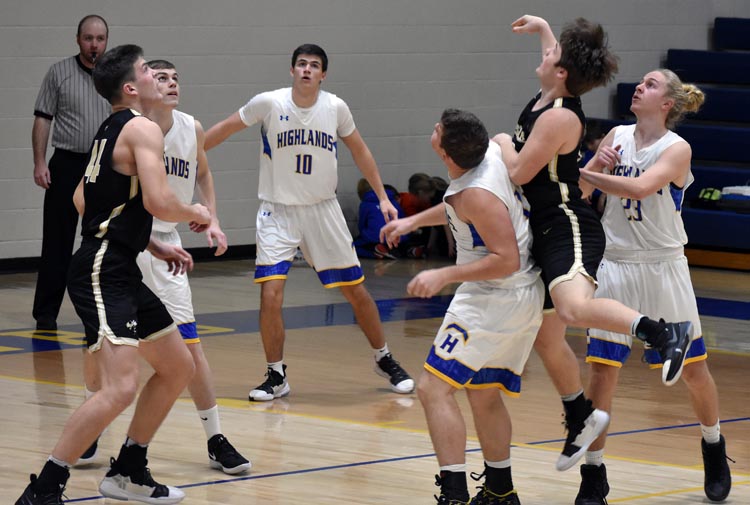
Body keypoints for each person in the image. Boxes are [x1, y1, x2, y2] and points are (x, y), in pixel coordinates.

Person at [492, 14, 692, 472]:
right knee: (546, 338)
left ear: (562, 71)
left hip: (568, 224)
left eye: (552, 53)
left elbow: (518, 171)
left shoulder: (560, 116)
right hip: (542, 227)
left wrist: (501, 141)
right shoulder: (548, 95)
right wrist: (545, 28)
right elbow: (558, 61)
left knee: (572, 309)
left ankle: (662, 332)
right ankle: (580, 414)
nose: (546, 55)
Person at [15, 44, 211, 505]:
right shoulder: (142, 127)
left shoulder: (110, 129)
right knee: (120, 387)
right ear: (131, 87)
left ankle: (128, 470)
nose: (156, 75)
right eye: (147, 70)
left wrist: (151, 244)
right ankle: (44, 488)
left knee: (178, 365)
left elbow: (84, 200)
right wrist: (195, 211)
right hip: (103, 268)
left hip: (116, 262)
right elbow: (159, 202)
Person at [204, 43, 414, 401]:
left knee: (356, 291)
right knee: (270, 292)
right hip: (277, 211)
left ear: (323, 74)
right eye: (301, 64)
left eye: (314, 65)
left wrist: (382, 197)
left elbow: (360, 150)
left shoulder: (335, 107)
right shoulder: (269, 103)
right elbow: (224, 128)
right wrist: (188, 153)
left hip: (322, 210)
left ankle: (384, 357)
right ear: (292, 70)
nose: (306, 69)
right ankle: (276, 374)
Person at [575, 69, 732, 504]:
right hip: (615, 263)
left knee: (694, 370)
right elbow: (581, 191)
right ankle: (593, 473)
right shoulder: (617, 135)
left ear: (667, 103)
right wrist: (593, 165)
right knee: (602, 372)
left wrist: (584, 170)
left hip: (663, 266)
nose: (639, 87)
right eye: (640, 83)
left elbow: (642, 187)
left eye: (650, 84)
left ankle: (713, 446)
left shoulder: (676, 147)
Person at [381, 109, 543, 504]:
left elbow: (506, 259)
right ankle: (501, 491)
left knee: (432, 389)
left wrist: (444, 275)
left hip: (493, 297)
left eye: (438, 128)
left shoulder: (476, 193)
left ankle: (454, 495)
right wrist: (413, 222)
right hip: (519, 296)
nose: (434, 128)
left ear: (445, 152)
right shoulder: (490, 156)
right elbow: (461, 208)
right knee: (483, 392)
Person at [131, 59, 250, 474]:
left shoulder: (191, 127)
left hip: (169, 245)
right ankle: (94, 428)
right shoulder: (131, 129)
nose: (171, 84)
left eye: (175, 78)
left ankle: (215, 438)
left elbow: (204, 173)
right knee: (110, 349)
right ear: (143, 85)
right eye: (161, 78)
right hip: (128, 244)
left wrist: (212, 219)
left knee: (191, 347)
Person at [31, 15, 111, 332]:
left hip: (104, 166)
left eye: (100, 39)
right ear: (78, 39)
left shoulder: (115, 76)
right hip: (66, 163)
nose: (94, 45)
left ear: (107, 41)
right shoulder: (59, 73)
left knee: (102, 241)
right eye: (88, 38)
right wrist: (40, 162)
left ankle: (97, 311)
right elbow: (43, 118)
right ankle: (46, 313)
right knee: (57, 241)